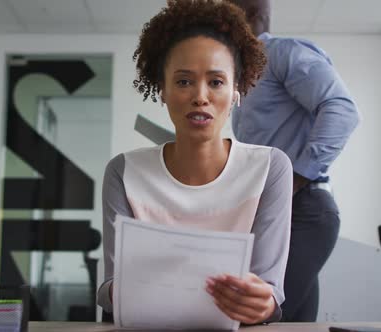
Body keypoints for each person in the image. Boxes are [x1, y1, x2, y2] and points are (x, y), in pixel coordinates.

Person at [97, 0, 293, 325]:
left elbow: (270, 291)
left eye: (216, 82)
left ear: (236, 92)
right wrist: (126, 291)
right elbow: (108, 287)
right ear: (162, 89)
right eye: (184, 81)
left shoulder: (270, 168)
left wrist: (265, 304)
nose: (200, 96)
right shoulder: (124, 172)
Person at [228, 0, 360, 322]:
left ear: (253, 14)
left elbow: (342, 110)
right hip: (273, 212)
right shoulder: (242, 73)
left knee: (253, 317)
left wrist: (295, 177)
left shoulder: (283, 53)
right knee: (295, 325)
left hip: (304, 210)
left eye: (225, 18)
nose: (219, 28)